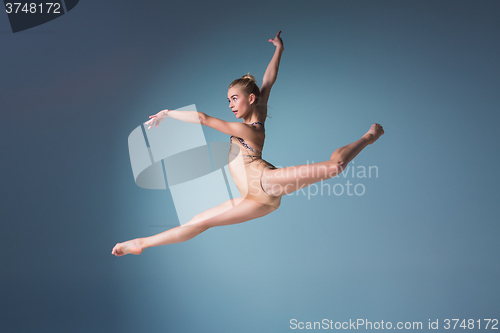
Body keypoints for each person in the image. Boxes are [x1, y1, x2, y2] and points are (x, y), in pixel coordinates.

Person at [111, 31, 384, 257]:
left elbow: (204, 118)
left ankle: (368, 137)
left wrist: (168, 113)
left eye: (234, 99)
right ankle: (140, 243)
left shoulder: (246, 129)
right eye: (228, 100)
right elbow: (268, 79)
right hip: (251, 198)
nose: (230, 105)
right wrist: (279, 50)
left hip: (264, 183)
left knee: (335, 166)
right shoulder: (260, 108)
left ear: (250, 99)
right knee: (198, 221)